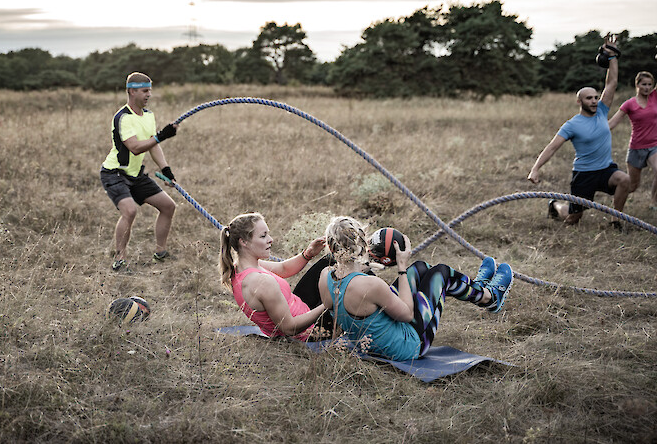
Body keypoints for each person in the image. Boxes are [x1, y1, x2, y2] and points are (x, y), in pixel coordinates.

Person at [317, 216, 514, 360]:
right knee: (441, 273)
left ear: (330, 247)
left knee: (419, 268)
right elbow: (407, 315)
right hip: (408, 346)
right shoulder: (371, 284)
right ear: (362, 242)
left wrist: (369, 262)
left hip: (368, 344)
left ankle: (477, 288)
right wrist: (401, 266)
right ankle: (490, 297)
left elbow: (337, 301)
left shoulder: (325, 276)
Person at [527, 34, 630, 226]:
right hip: (584, 174)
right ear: (579, 101)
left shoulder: (601, 111)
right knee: (573, 218)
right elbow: (552, 147)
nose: (593, 101)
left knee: (624, 180)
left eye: (595, 97)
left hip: (605, 170)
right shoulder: (572, 124)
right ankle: (555, 206)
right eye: (588, 98)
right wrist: (535, 169)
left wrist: (613, 56)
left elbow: (612, 83)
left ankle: (616, 219)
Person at [100, 72, 179, 272]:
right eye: (145, 90)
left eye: (150, 90)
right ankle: (120, 258)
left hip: (136, 174)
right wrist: (161, 136)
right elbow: (135, 147)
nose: (149, 94)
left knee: (168, 207)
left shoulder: (149, 115)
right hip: (115, 173)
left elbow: (152, 145)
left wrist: (166, 169)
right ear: (132, 91)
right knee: (130, 210)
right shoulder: (123, 117)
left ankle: (160, 253)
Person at [218, 212, 335, 341]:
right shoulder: (260, 282)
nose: (270, 239)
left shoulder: (242, 267)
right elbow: (289, 328)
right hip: (310, 331)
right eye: (263, 236)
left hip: (300, 308)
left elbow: (283, 269)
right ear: (244, 242)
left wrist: (308, 254)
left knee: (330, 259)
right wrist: (327, 304)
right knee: (347, 286)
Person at [608, 71, 657, 210]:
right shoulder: (629, 104)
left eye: (649, 84)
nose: (647, 87)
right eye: (644, 84)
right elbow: (612, 123)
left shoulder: (655, 97)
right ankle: (617, 198)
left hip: (654, 145)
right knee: (633, 185)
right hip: (636, 147)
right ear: (637, 85)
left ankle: (653, 202)